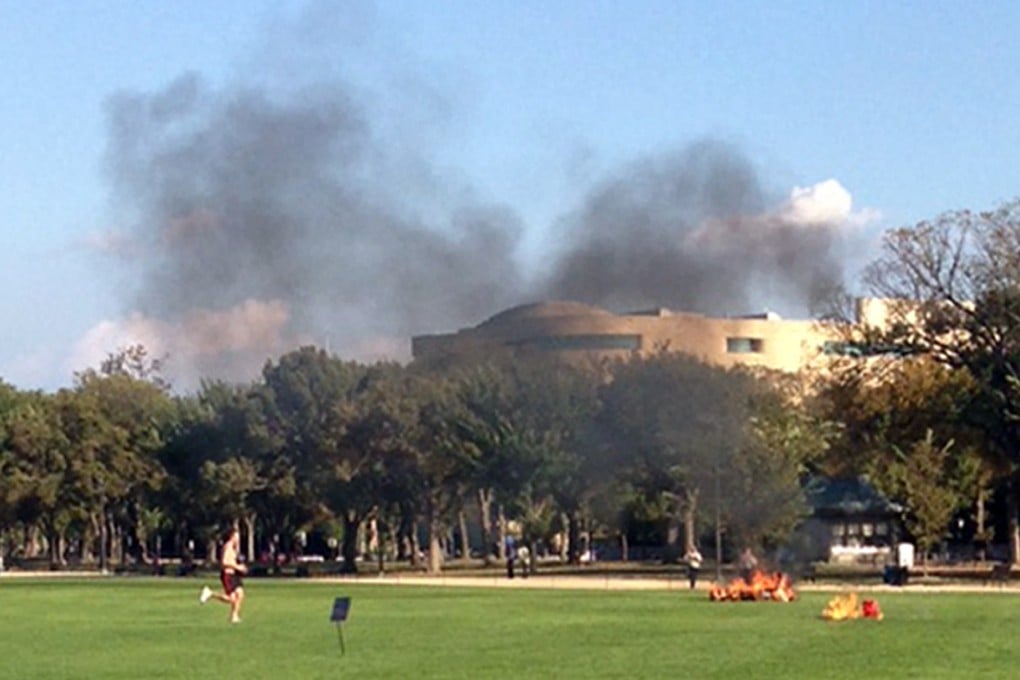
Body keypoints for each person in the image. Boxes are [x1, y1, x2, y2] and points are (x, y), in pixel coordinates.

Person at [200, 527, 247, 624]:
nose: (238, 539)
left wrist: (240, 567)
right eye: (236, 536)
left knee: (240, 594)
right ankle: (210, 593)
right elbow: (224, 562)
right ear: (232, 537)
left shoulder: (234, 548)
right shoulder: (228, 547)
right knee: (231, 598)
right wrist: (237, 567)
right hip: (227, 575)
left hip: (234, 575)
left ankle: (234, 616)